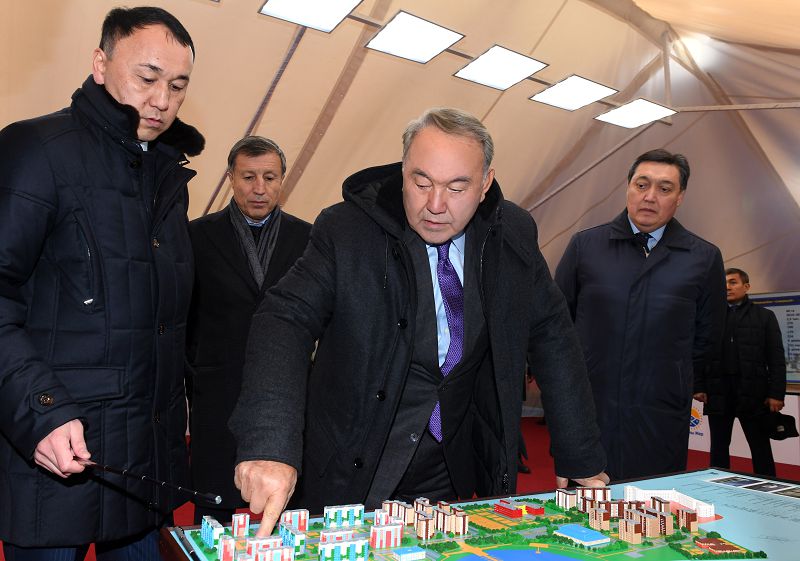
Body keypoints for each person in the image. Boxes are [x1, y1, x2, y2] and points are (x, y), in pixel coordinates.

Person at [230, 107, 608, 537]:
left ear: (485, 183)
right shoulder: (347, 230)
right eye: (421, 182)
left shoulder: (513, 233)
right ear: (402, 170)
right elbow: (285, 318)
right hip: (355, 460)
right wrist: (270, 443)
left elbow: (552, 333)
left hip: (450, 464)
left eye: (457, 187)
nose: (435, 205)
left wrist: (579, 452)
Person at [0, 6, 202, 558]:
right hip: (52, 461)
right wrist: (40, 410)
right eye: (147, 77)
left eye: (177, 86)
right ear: (100, 64)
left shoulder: (167, 178)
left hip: (140, 471)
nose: (161, 100)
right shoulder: (37, 150)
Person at [554, 149, 726, 481]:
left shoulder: (703, 258)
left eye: (664, 188)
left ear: (680, 197)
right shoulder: (586, 246)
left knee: (651, 503)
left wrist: (666, 374)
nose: (650, 196)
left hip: (659, 411)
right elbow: (557, 326)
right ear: (628, 187)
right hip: (591, 409)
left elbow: (708, 337)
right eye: (642, 184)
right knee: (582, 506)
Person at [186, 136, 311, 524]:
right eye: (248, 177)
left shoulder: (308, 239)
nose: (259, 188)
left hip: (287, 393)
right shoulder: (197, 236)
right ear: (231, 178)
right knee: (213, 508)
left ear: (282, 180)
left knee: (289, 510)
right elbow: (185, 318)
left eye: (269, 178)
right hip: (217, 391)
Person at [701, 268, 786, 477]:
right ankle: (717, 488)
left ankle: (768, 487)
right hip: (718, 392)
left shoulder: (765, 316)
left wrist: (776, 393)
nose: (727, 287)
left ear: (746, 287)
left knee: (760, 447)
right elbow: (700, 353)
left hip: (753, 393)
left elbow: (776, 358)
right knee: (718, 448)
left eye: (733, 282)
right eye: (723, 283)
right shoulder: (709, 318)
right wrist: (697, 386)